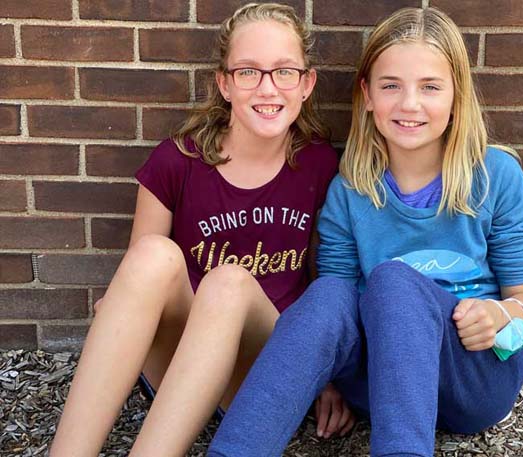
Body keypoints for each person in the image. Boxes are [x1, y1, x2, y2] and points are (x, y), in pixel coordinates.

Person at [206, 6, 523, 457]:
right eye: (391, 86)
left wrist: (497, 315)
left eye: (430, 87)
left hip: (473, 377)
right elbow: (333, 313)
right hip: (377, 382)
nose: (409, 104)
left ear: (457, 96)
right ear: (367, 95)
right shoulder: (350, 191)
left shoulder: (496, 176)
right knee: (329, 292)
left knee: (394, 281)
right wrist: (325, 381)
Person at [48, 3, 342, 456]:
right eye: (248, 72)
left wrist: (330, 373)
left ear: (306, 84)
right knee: (152, 255)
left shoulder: (320, 165)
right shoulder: (177, 162)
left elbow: (332, 284)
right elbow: (139, 281)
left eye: (284, 71)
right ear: (224, 83)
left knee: (228, 282)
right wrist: (122, 303)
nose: (267, 87)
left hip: (264, 365)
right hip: (181, 365)